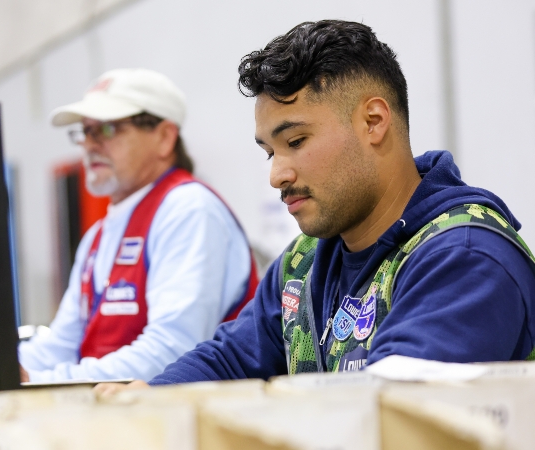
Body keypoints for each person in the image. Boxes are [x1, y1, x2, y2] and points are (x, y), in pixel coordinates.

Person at [96, 20, 535, 394]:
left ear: (373, 122)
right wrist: (151, 401)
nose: (277, 175)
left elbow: (384, 419)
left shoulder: (464, 258)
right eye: (270, 152)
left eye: (297, 142)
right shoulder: (304, 262)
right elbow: (228, 361)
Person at [19, 68, 258, 382]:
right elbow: (60, 345)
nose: (89, 145)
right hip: (121, 417)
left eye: (106, 129)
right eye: (85, 131)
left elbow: (171, 353)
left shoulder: (188, 210)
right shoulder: (98, 236)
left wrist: (40, 382)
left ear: (164, 137)